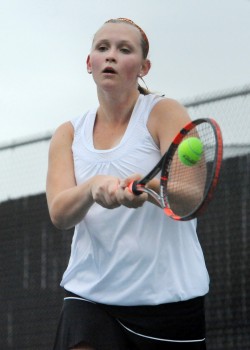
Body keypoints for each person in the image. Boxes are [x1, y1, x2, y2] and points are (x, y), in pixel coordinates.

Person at [46, 17, 209, 350]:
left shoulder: (166, 113)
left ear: (143, 67)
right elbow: (60, 213)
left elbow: (191, 197)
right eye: (102, 48)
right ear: (89, 63)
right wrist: (92, 188)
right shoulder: (68, 133)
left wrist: (149, 189)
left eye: (124, 49)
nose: (111, 56)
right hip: (90, 296)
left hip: (167, 300)